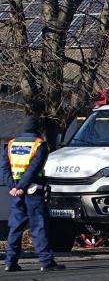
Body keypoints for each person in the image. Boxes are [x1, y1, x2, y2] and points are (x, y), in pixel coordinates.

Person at [1, 115, 65, 272]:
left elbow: (4, 168)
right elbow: (33, 169)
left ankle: (10, 262)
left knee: (15, 227)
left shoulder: (11, 144)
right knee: (39, 226)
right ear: (38, 128)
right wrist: (22, 186)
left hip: (16, 192)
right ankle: (46, 262)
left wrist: (13, 186)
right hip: (33, 191)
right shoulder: (39, 145)